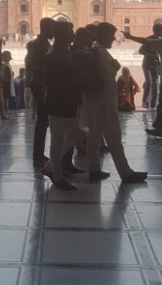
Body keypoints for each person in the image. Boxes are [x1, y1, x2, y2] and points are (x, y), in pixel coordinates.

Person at [83, 22, 147, 184]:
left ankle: (94, 169)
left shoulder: (94, 48)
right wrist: (115, 68)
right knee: (114, 138)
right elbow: (105, 78)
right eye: (111, 36)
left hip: (96, 102)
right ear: (103, 35)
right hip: (105, 103)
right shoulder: (102, 52)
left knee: (94, 137)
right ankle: (126, 173)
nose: (113, 39)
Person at [41, 21, 81, 191]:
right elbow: (54, 81)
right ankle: (58, 178)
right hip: (58, 101)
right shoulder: (53, 54)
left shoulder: (66, 51)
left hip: (68, 100)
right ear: (60, 35)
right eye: (69, 32)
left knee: (72, 136)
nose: (72, 34)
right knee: (57, 140)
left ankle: (50, 167)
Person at [25, 18, 56, 167]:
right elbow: (31, 65)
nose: (53, 32)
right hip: (40, 85)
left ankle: (39, 154)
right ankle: (37, 155)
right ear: (45, 28)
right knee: (42, 120)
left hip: (42, 85)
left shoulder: (42, 43)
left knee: (43, 121)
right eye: (52, 29)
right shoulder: (37, 45)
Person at [124, 23, 162, 110]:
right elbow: (141, 50)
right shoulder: (150, 39)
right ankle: (145, 102)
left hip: (155, 64)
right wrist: (150, 54)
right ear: (156, 30)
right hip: (147, 64)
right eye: (161, 30)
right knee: (149, 82)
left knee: (155, 84)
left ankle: (153, 103)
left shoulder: (161, 40)